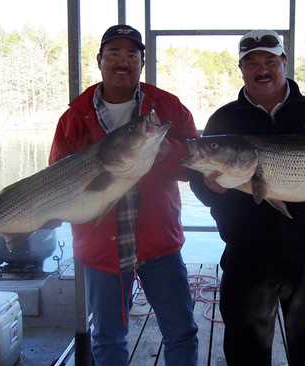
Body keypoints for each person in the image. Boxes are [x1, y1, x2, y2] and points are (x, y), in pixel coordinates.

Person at [189, 30, 305, 365]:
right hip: (247, 254)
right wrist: (211, 188)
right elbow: (200, 183)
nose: (262, 68)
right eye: (252, 62)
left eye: (270, 60)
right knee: (244, 349)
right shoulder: (224, 119)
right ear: (241, 69)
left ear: (284, 62)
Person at [49, 24, 198, 366]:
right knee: (107, 338)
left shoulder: (167, 107)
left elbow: (193, 162)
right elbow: (58, 179)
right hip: (101, 247)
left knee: (181, 332)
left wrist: (169, 153)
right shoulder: (74, 118)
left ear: (142, 63)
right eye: (114, 53)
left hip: (158, 243)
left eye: (132, 54)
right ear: (100, 60)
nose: (123, 61)